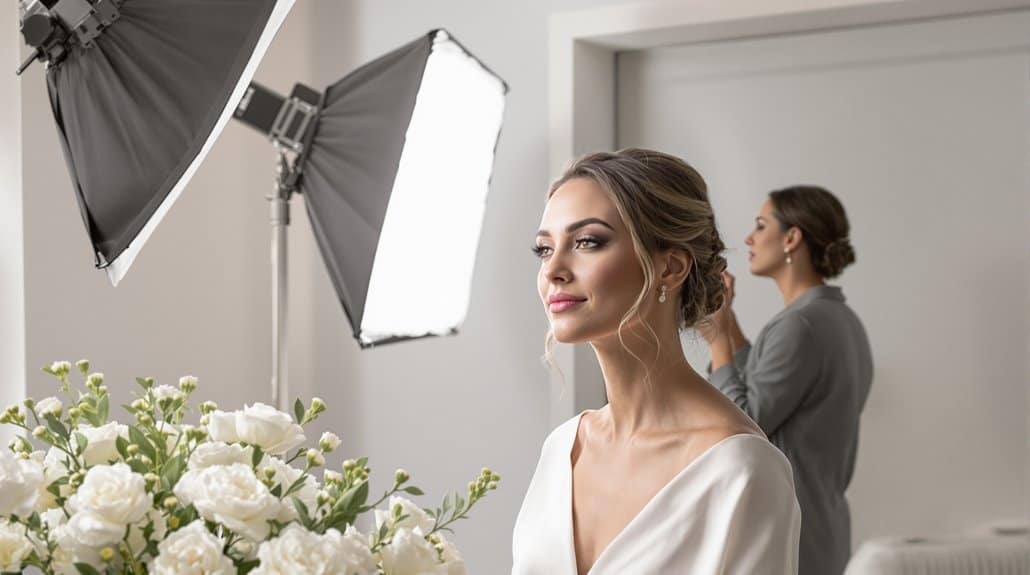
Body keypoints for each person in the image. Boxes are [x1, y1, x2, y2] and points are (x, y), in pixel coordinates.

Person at [512, 149, 800, 575]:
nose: (553, 270)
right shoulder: (561, 450)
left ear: (671, 267)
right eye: (544, 249)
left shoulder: (740, 470)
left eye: (587, 242)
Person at [704, 185, 873, 575]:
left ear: (792, 238)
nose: (749, 238)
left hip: (790, 536)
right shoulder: (840, 319)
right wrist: (727, 323)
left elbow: (744, 423)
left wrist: (717, 342)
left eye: (761, 225)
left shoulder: (800, 326)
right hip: (822, 530)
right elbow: (767, 385)